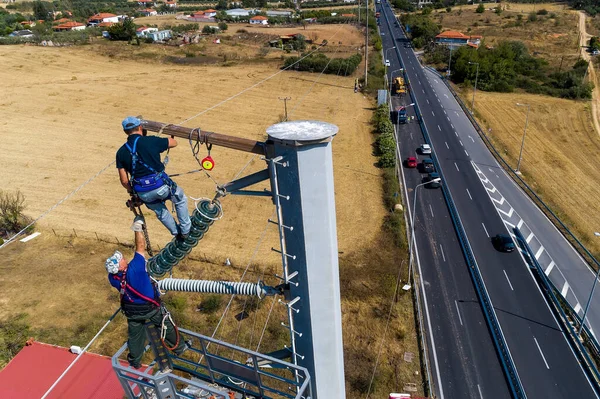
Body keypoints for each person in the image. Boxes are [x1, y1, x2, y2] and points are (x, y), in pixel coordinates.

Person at [105, 216, 187, 369]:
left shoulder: (113, 278)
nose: (123, 258)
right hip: (150, 309)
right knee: (165, 325)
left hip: (131, 311)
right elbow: (140, 246)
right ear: (121, 266)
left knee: (135, 337)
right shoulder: (135, 268)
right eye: (120, 259)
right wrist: (138, 228)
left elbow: (118, 270)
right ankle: (180, 347)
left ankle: (135, 361)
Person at [116, 116, 191, 239]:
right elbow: (173, 143)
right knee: (180, 199)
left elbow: (124, 180)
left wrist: (132, 191)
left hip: (143, 192)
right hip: (161, 185)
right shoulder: (151, 141)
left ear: (125, 132)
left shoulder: (121, 152)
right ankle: (186, 230)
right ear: (140, 127)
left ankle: (176, 233)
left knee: (160, 211)